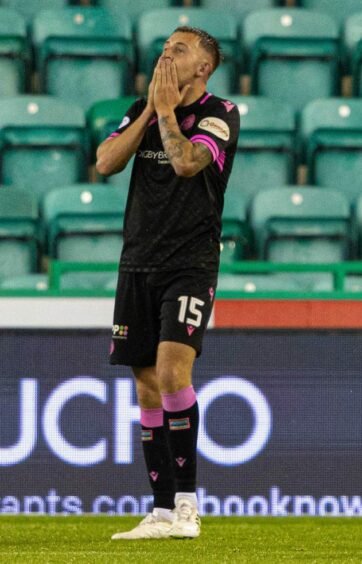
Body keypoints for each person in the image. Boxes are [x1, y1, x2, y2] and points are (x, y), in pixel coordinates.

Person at [96, 26, 240, 540]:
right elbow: (106, 162)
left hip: (189, 264)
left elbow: (184, 164)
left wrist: (164, 113)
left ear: (203, 67)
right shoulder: (140, 110)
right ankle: (159, 511)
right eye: (163, 48)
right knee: (145, 384)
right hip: (138, 261)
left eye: (178, 50)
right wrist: (151, 111)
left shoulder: (220, 114)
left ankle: (187, 506)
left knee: (172, 372)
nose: (165, 55)